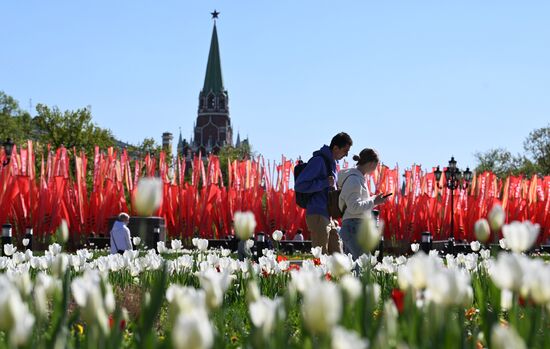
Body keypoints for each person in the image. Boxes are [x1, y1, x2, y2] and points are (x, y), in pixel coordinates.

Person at [295, 132, 353, 254]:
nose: (346, 155)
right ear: (335, 148)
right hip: (317, 213)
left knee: (337, 255)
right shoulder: (319, 161)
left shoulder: (333, 164)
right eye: (345, 151)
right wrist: (324, 183)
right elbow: (300, 185)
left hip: (328, 215)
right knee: (322, 256)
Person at [337, 148, 389, 259]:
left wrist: (374, 200)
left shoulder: (357, 178)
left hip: (352, 226)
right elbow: (354, 207)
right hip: (353, 227)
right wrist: (374, 201)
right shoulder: (354, 180)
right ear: (371, 163)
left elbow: (356, 205)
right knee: (361, 266)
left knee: (354, 268)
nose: (376, 168)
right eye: (376, 165)